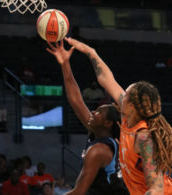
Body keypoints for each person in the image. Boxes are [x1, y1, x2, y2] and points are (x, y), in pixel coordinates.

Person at [63, 37, 172, 195]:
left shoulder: (144, 138)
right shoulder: (127, 119)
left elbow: (157, 188)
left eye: (126, 95)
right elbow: (106, 79)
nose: (120, 95)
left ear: (132, 106)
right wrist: (90, 52)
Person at [46, 40, 128, 195]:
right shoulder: (99, 132)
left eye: (98, 112)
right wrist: (65, 64)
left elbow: (79, 192)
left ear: (107, 123)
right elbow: (76, 100)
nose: (93, 112)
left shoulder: (99, 151)